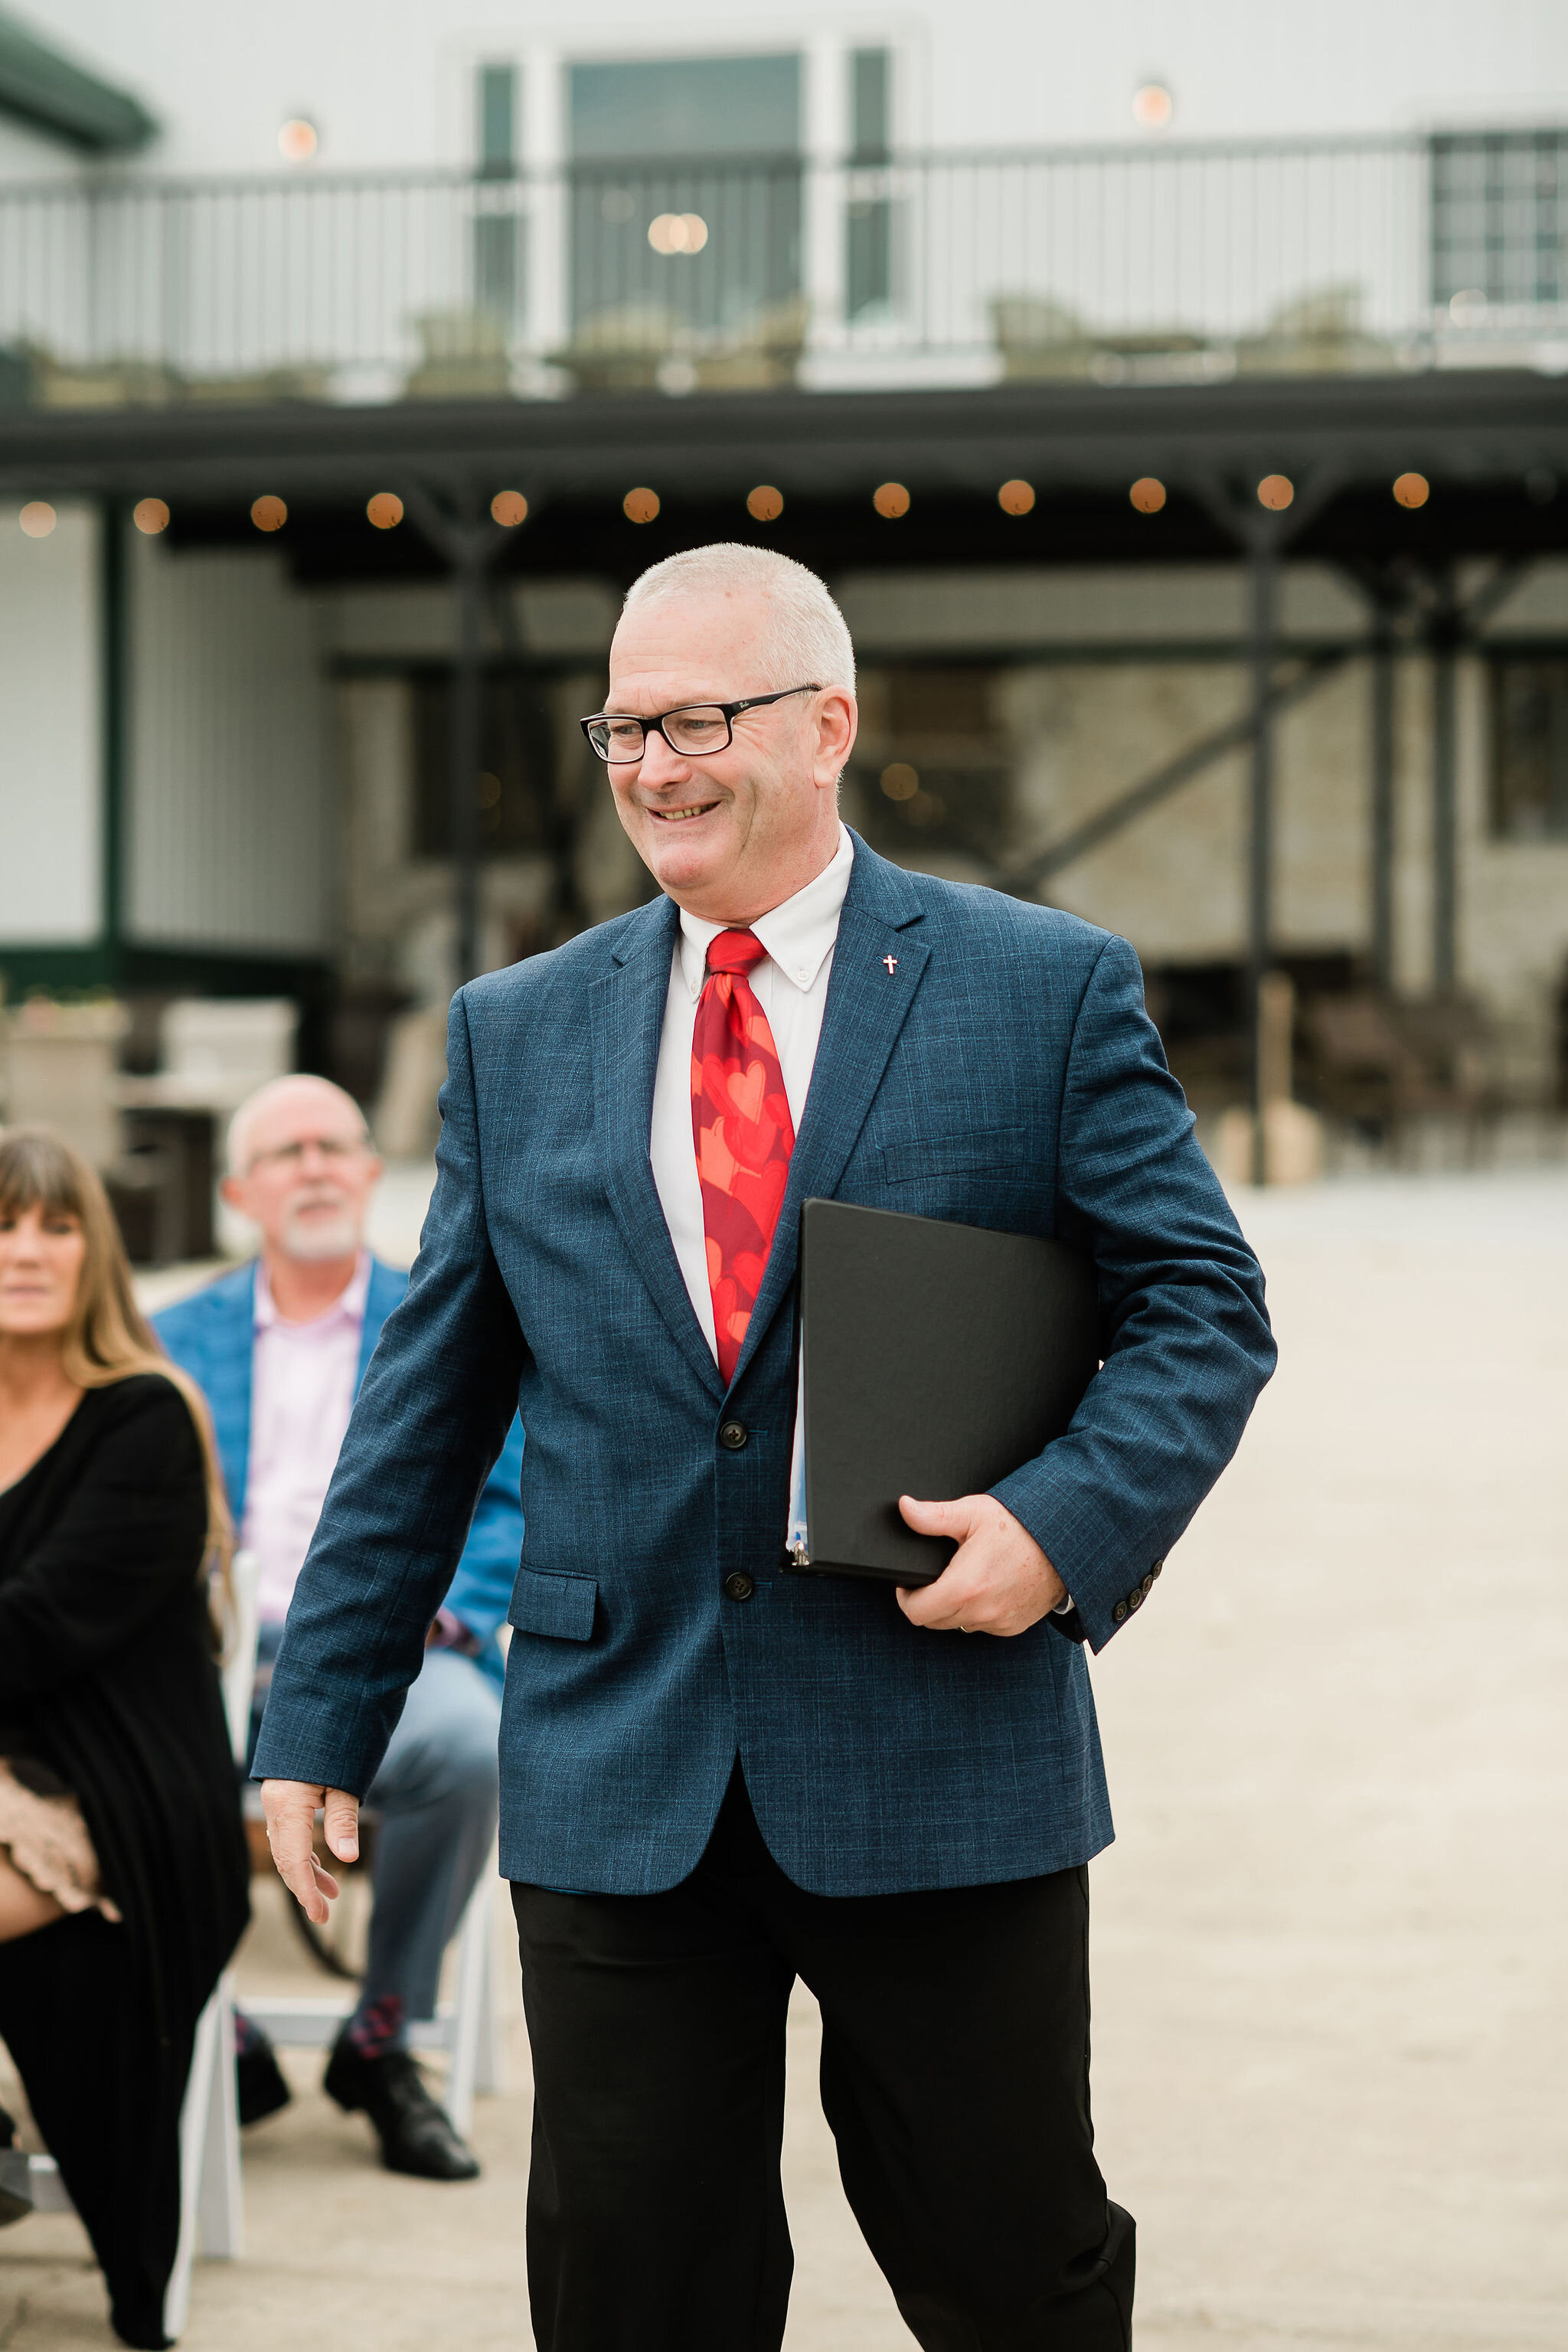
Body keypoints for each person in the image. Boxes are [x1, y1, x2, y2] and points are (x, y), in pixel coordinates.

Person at [256, 543, 1276, 2350]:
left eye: (700, 719)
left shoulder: (1038, 991)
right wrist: (317, 1724)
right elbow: (424, 1410)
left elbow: (1203, 1306)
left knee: (1012, 2272)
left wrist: (1059, 1528)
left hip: (941, 1752)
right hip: (618, 1760)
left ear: (831, 725)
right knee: (636, 2295)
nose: (656, 765)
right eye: (625, 727)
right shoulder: (518, 1031)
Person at [155, 1075, 522, 2183]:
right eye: (286, 1150)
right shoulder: (167, 1338)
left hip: (399, 1653)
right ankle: (217, 2024)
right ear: (238, 1192)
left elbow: (509, 1500)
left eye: (335, 1145)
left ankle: (384, 2035)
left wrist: (451, 1619)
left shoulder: (449, 1316)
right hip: (211, 1658)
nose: (315, 1165)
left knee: (465, 1751)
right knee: (118, 1767)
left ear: (372, 1173)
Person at [0, 1127, 249, 2351]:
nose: (26, 1250)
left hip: (125, 1791)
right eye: (3, 1224)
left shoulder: (145, 1417)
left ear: (98, 1250)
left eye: (55, 1225)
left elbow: (30, 1636)